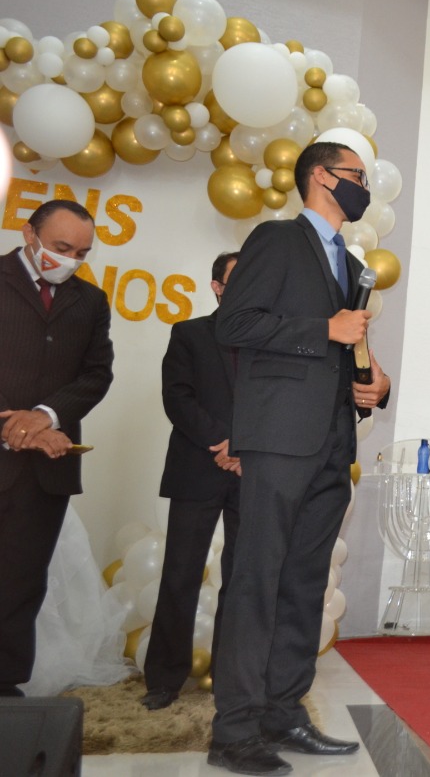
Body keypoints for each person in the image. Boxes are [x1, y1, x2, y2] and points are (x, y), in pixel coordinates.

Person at [210, 142, 392, 776]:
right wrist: (323, 331)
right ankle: (233, 732)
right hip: (280, 441)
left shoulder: (352, 260)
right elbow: (233, 324)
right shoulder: (277, 239)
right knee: (257, 583)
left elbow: (347, 348)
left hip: (332, 442)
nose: (362, 189)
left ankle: (283, 713)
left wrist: (374, 383)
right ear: (321, 177)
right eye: (356, 178)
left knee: (303, 586)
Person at [0, 199, 114, 698]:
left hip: (46, 466)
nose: (69, 259)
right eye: (62, 247)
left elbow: (96, 374)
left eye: (82, 253)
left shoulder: (90, 301)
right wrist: (14, 424)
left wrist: (44, 417)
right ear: (29, 233)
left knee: (22, 580)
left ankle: (4, 685)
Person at [143, 252, 242, 711]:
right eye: (236, 278)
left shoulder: (271, 343)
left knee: (241, 580)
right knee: (180, 575)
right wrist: (221, 442)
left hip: (251, 473)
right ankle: (163, 679)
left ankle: (231, 677)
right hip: (196, 469)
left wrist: (243, 448)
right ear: (216, 287)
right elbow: (177, 397)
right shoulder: (189, 334)